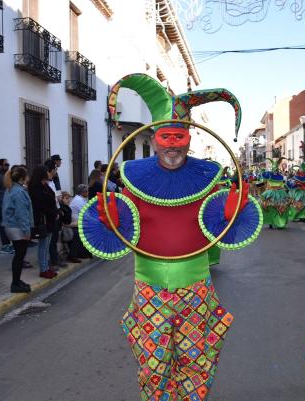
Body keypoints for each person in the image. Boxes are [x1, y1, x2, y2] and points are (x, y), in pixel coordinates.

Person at [81, 73, 261, 401]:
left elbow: (222, 231)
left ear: (190, 138)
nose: (173, 146)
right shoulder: (134, 178)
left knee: (196, 361)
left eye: (179, 137)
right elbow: (125, 230)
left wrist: (232, 213)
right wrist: (111, 220)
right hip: (149, 289)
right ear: (154, 137)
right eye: (167, 137)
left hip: (196, 289)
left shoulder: (207, 178)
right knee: (153, 365)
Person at [2, 166, 32, 293]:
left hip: (12, 226)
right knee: (19, 256)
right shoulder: (19, 192)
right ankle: (15, 283)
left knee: (19, 255)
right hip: (17, 227)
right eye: (26, 175)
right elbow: (21, 213)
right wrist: (26, 231)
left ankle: (17, 281)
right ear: (22, 178)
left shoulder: (12, 189)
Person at [28, 166, 58, 279]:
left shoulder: (44, 186)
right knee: (43, 245)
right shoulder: (36, 189)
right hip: (43, 220)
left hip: (49, 219)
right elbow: (43, 205)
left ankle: (45, 267)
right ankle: (43, 269)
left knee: (46, 245)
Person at [44, 160, 66, 269]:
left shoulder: (52, 181)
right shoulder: (46, 183)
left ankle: (55, 258)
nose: (56, 171)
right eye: (55, 169)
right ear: (51, 170)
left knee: (55, 237)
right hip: (52, 214)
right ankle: (53, 261)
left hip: (56, 211)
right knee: (52, 239)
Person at [261, 157, 290, 229]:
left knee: (279, 207)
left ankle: (276, 221)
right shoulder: (271, 175)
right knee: (270, 207)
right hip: (275, 193)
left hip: (274, 193)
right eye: (274, 169)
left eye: (276, 169)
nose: (275, 170)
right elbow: (264, 175)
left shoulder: (278, 176)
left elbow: (282, 185)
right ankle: (271, 221)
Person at [68, 184, 91, 259]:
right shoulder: (79, 200)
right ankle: (79, 254)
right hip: (75, 223)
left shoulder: (80, 199)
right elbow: (85, 214)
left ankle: (84, 253)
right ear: (83, 193)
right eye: (87, 192)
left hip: (78, 222)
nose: (88, 193)